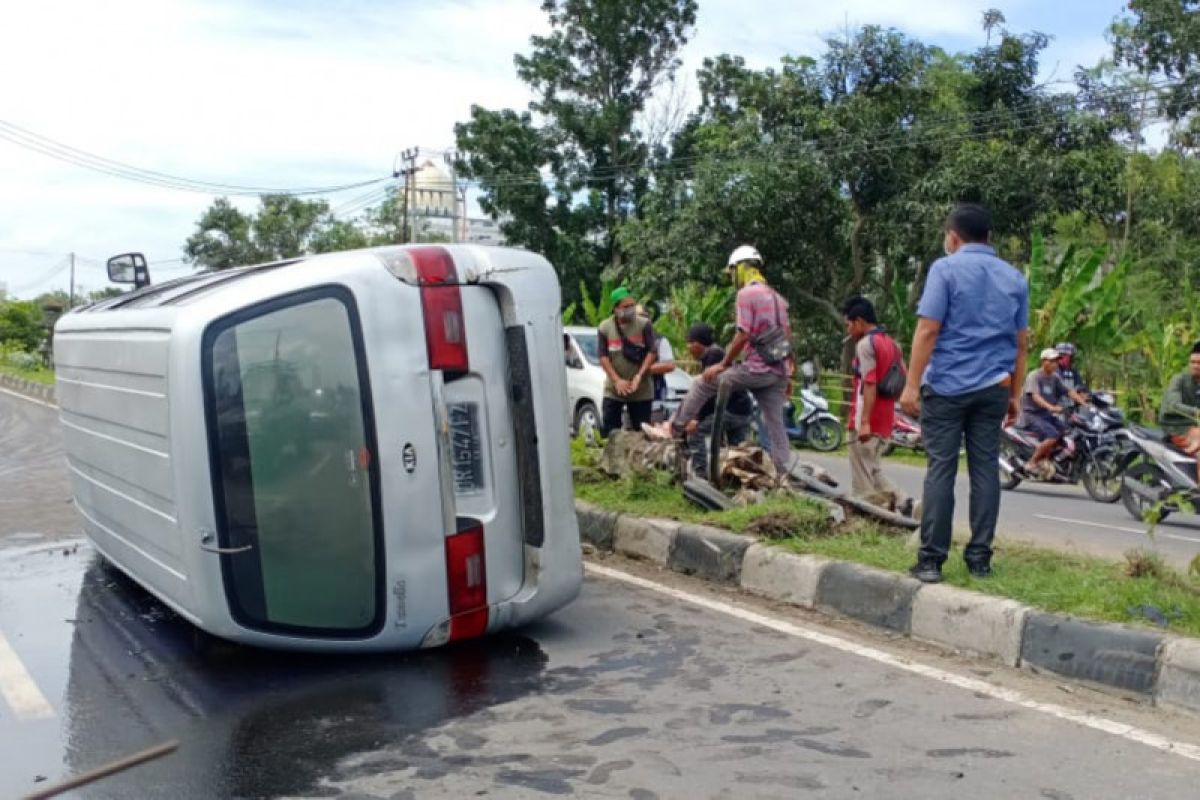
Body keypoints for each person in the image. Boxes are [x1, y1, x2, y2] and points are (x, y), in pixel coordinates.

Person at [900, 203, 1029, 583]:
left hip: (947, 387)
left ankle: (931, 561)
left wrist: (911, 385)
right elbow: (1021, 343)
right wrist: (1015, 394)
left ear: (953, 237)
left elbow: (927, 330)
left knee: (941, 468)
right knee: (985, 469)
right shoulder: (1014, 277)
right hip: (994, 388)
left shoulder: (945, 268)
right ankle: (979, 559)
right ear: (989, 237)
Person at [671, 246, 794, 475]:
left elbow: (743, 334)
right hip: (777, 371)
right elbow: (787, 334)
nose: (732, 279)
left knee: (703, 382)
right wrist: (789, 371)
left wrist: (724, 363)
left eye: (732, 273)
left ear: (740, 268)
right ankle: (783, 473)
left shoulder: (746, 294)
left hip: (756, 369)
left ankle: (675, 429)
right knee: (776, 425)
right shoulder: (778, 298)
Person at [843, 296, 914, 515]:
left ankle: (867, 515)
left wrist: (864, 422)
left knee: (862, 478)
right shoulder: (893, 345)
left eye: (849, 325)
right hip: (885, 418)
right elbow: (903, 377)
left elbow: (869, 383)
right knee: (872, 468)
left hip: (866, 418)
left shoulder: (865, 345)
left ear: (860, 322)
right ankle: (904, 501)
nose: (848, 331)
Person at [679, 322, 755, 475]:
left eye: (690, 343)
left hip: (731, 410)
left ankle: (700, 476)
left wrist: (697, 419)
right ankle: (736, 480)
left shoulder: (713, 356)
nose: (688, 347)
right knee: (736, 450)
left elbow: (711, 394)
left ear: (698, 343)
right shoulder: (714, 354)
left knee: (695, 433)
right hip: (741, 409)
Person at [597, 287, 657, 436]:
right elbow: (603, 356)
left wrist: (639, 376)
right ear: (616, 308)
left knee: (642, 432)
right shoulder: (605, 328)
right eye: (626, 306)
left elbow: (652, 351)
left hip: (640, 389)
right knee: (610, 431)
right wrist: (617, 380)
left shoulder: (644, 324)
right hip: (614, 389)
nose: (630, 309)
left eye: (632, 305)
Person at [1021, 348, 1088, 477]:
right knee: (1052, 435)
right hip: (1032, 415)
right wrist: (1051, 407)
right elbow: (1035, 396)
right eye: (1052, 361)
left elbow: (1069, 391)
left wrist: (1084, 403)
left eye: (1056, 361)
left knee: (1065, 432)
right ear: (1043, 361)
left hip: (1046, 415)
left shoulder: (1054, 377)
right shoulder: (1034, 376)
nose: (1055, 364)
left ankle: (1046, 459)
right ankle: (1032, 462)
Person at [1159, 341, 1200, 483]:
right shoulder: (1179, 380)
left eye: (1199, 363)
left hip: (1192, 426)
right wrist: (1196, 412)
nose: (1195, 366)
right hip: (1176, 427)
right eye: (1192, 362)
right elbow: (1173, 405)